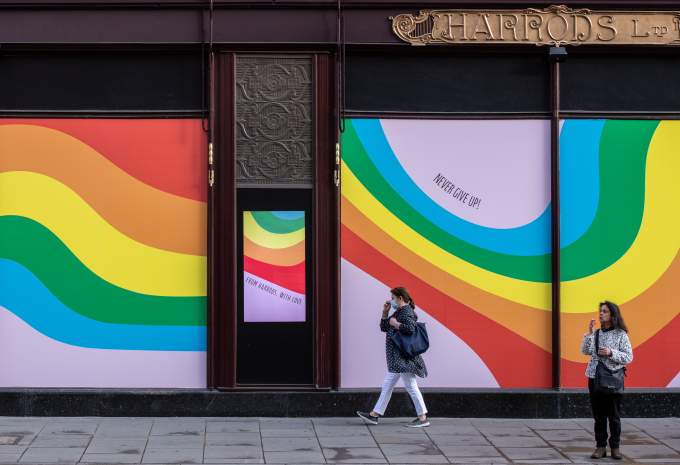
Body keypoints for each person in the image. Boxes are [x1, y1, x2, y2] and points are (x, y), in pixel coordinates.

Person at [356, 286, 429, 428]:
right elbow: (384, 327)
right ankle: (374, 415)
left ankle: (422, 418)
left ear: (400, 298)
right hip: (397, 358)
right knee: (388, 385)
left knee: (410, 386)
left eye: (393, 298)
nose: (391, 300)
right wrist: (385, 313)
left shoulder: (407, 311)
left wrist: (396, 324)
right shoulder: (399, 311)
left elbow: (410, 329)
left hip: (403, 358)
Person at [580, 301, 633, 460]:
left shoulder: (621, 334)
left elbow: (629, 356)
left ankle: (615, 447)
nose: (601, 314)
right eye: (600, 311)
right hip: (595, 378)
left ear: (612, 315)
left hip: (613, 379)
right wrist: (589, 334)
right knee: (599, 415)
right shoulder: (597, 333)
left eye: (605, 311)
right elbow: (584, 351)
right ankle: (600, 447)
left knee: (614, 416)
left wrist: (611, 352)